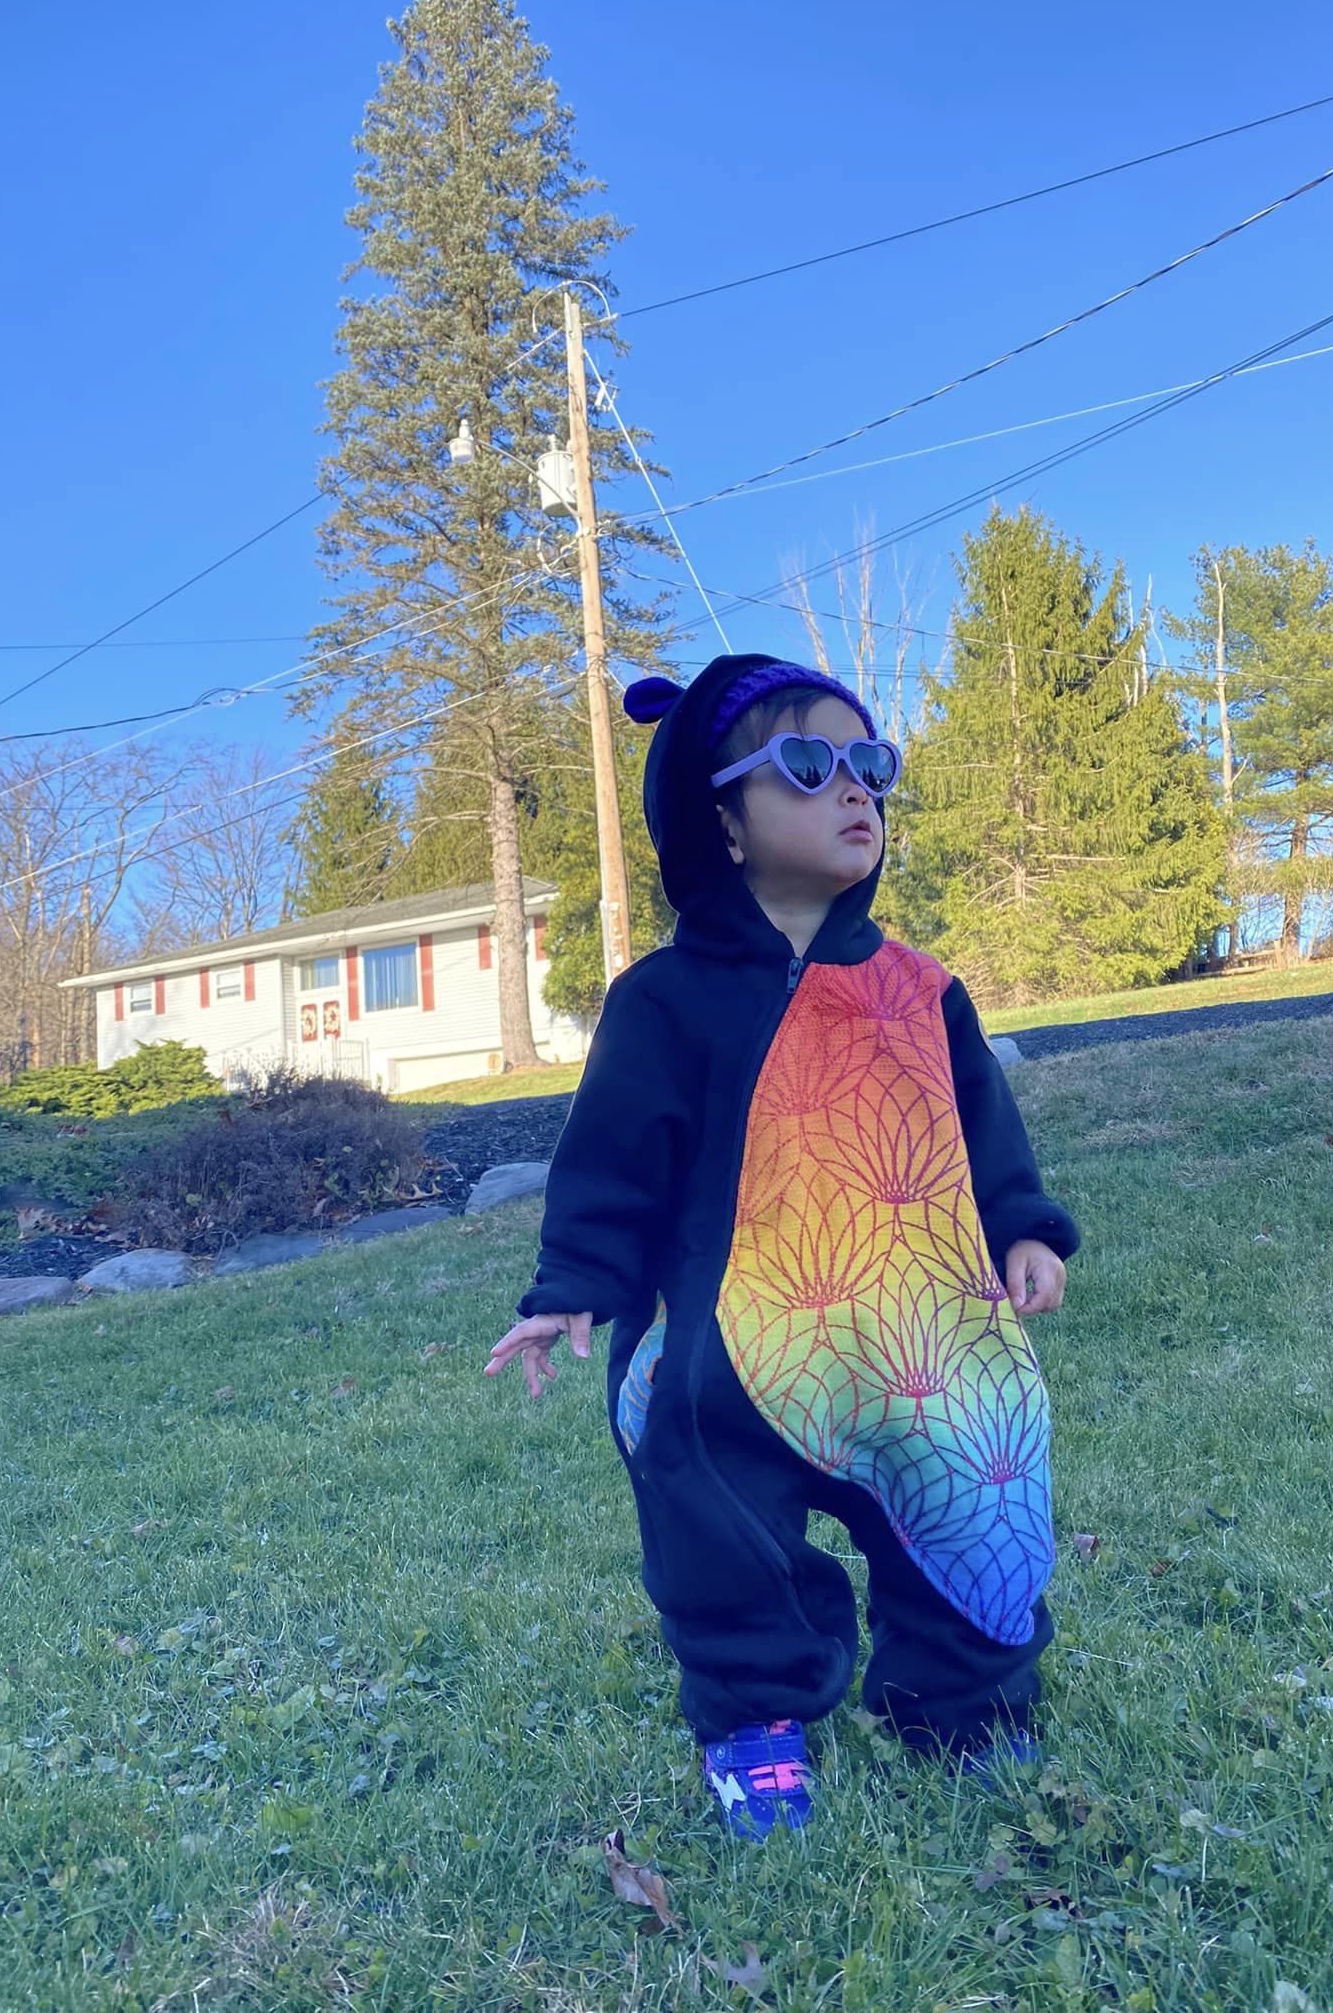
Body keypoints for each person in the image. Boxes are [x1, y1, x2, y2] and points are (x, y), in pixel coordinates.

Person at [485, 654, 1079, 1841]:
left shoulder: (923, 990)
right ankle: (756, 1719)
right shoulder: (664, 999)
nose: (854, 788)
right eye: (808, 763)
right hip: (731, 1350)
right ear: (725, 819)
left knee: (972, 1511)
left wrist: (1023, 1226)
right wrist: (573, 1287)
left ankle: (961, 1706)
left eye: (871, 763)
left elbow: (981, 1129)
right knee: (723, 1540)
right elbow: (613, 1159)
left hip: (926, 1339)